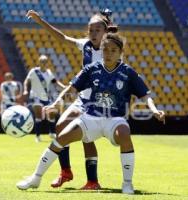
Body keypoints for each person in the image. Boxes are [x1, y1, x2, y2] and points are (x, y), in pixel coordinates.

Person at [16, 33, 165, 194]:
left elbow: (146, 95)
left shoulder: (128, 72)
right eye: (105, 50)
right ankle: (36, 178)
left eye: (113, 50)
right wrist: (56, 103)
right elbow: (71, 88)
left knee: (124, 132)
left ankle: (127, 183)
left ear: (121, 52)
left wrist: (154, 110)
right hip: (91, 118)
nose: (108, 54)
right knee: (62, 137)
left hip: (115, 119)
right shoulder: (91, 69)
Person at [26, 9, 118, 189]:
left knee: (85, 137)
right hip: (83, 98)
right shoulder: (85, 45)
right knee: (62, 127)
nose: (92, 33)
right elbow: (63, 38)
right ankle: (67, 172)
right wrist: (40, 20)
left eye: (97, 30)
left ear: (105, 32)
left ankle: (91, 181)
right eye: (90, 30)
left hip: (98, 102)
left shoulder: (112, 49)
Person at [23, 54, 65, 142]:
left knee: (52, 113)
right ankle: (38, 136)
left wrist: (64, 87)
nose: (44, 63)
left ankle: (52, 132)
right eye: (42, 61)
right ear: (39, 62)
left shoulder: (49, 72)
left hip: (46, 97)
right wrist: (25, 90)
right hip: (35, 96)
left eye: (45, 61)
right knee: (38, 115)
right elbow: (27, 80)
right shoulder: (34, 71)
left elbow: (55, 81)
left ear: (47, 63)